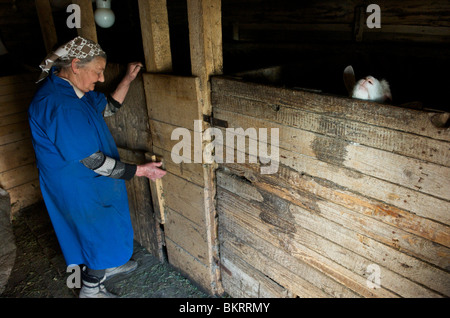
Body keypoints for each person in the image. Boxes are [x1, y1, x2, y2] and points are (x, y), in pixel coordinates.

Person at [28, 36, 166, 298]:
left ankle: (107, 265)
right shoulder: (59, 104)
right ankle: (91, 289)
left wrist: (126, 79)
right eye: (98, 71)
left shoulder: (74, 91)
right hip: (76, 184)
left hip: (90, 180)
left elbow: (109, 108)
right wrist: (141, 171)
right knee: (95, 232)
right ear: (76, 65)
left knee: (107, 226)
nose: (102, 78)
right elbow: (93, 161)